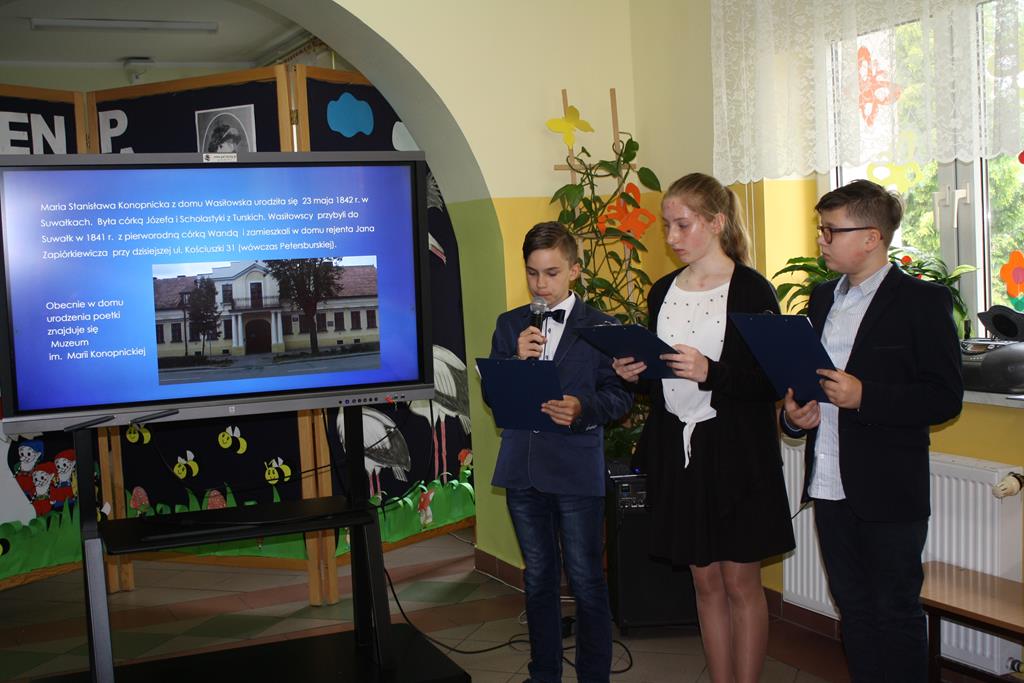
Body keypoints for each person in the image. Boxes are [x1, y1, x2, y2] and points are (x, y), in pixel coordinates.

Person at [611, 173, 795, 683]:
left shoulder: (752, 290)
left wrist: (711, 372)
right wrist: (637, 375)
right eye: (667, 226)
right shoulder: (662, 291)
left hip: (735, 453)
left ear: (716, 223)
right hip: (679, 451)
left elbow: (769, 381)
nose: (671, 237)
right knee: (705, 582)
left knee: (740, 583)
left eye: (683, 224)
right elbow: (665, 380)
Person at [780, 179, 963, 682]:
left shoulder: (922, 301)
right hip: (829, 482)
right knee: (854, 609)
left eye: (831, 231)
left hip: (889, 488)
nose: (821, 240)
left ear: (871, 237)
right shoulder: (821, 298)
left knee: (895, 611)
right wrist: (793, 416)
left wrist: (866, 396)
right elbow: (806, 382)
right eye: (821, 229)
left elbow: (944, 397)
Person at [488, 221, 631, 683]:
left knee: (587, 581)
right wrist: (516, 361)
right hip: (522, 468)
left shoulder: (603, 327)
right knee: (538, 579)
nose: (540, 284)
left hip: (575, 469)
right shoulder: (510, 325)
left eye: (551, 273)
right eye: (532, 273)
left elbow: (620, 397)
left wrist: (582, 408)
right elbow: (493, 395)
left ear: (574, 270)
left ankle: (594, 676)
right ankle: (543, 673)